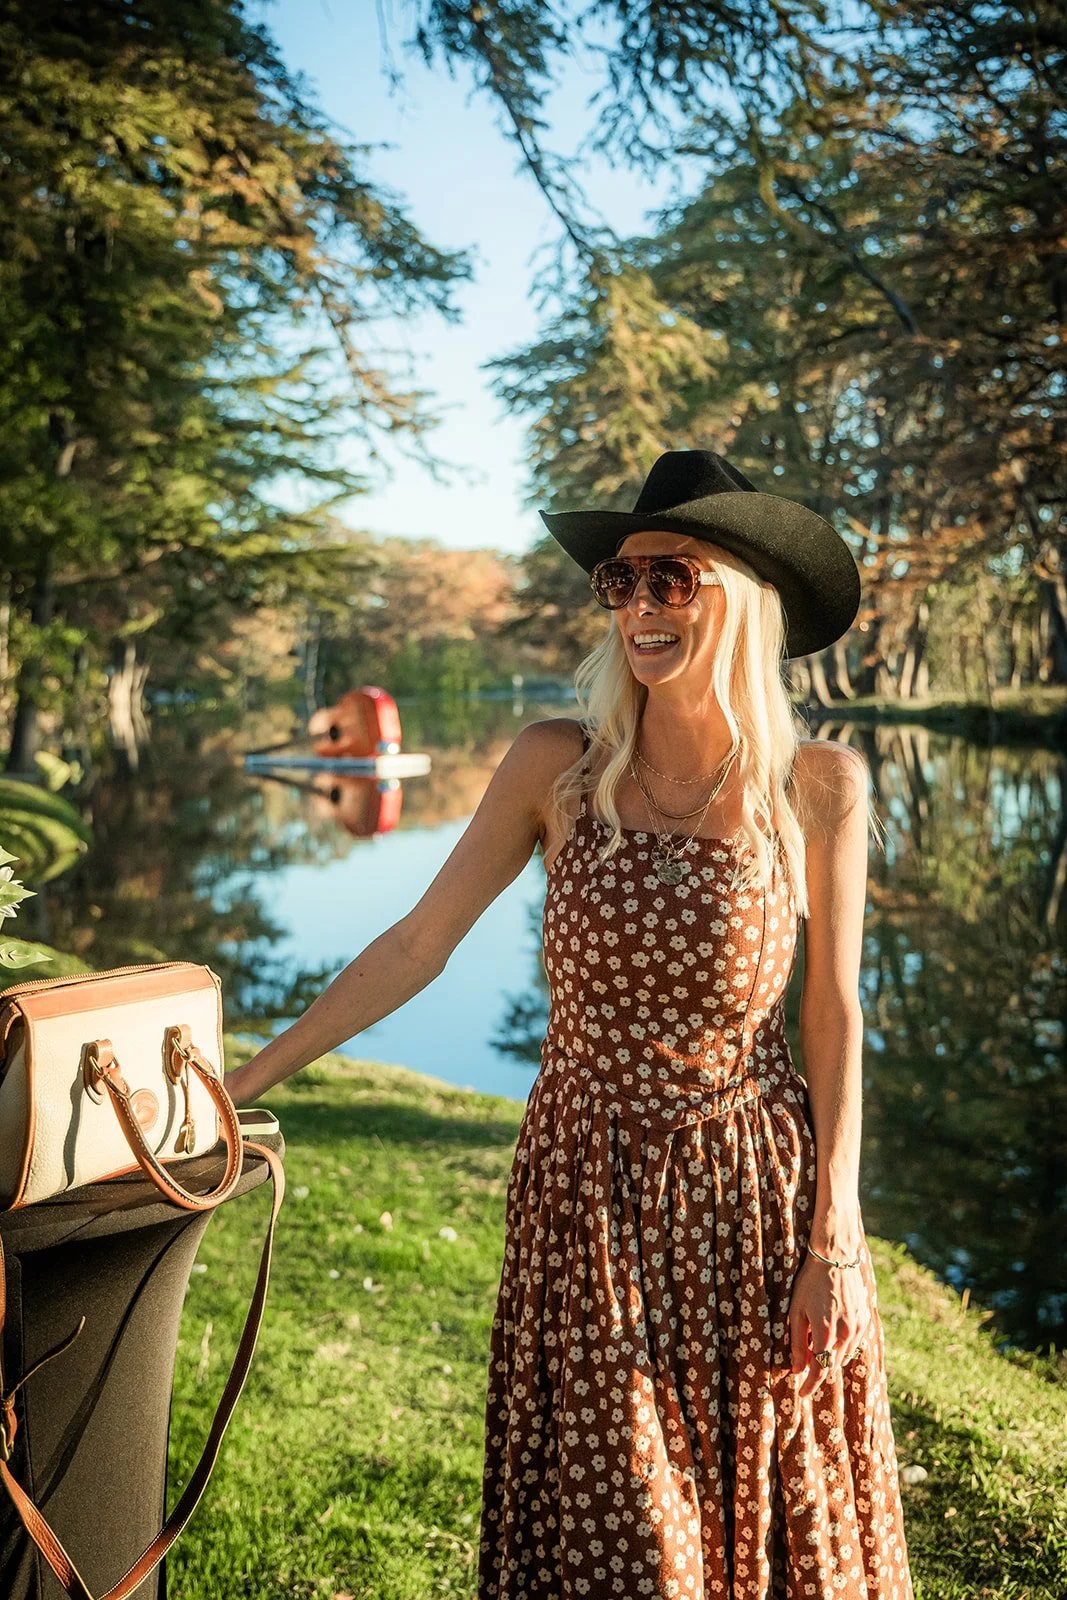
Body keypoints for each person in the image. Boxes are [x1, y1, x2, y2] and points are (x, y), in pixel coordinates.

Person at [224, 449, 915, 1598]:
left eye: (670, 580)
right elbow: (414, 943)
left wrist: (831, 1239)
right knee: (624, 1529)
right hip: (581, 1192)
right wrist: (240, 1082)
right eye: (621, 582)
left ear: (740, 595)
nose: (638, 607)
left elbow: (833, 1016)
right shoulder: (559, 768)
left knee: (771, 1519)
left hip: (748, 1197)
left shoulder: (818, 789)